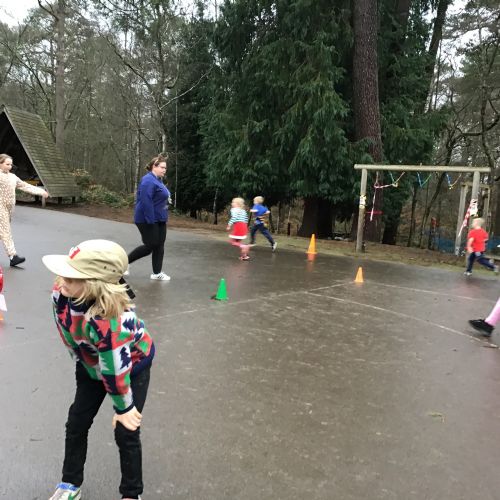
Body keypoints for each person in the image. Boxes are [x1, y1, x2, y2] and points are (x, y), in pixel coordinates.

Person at [42, 239, 154, 500]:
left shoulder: (112, 321)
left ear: (94, 284)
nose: (61, 280)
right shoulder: (62, 292)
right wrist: (81, 359)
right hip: (92, 363)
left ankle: (131, 493)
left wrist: (123, 408)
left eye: (71, 277)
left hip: (130, 365)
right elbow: (66, 329)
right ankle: (70, 483)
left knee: (126, 429)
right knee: (77, 421)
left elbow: (115, 368)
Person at [0, 153, 49, 266]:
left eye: (11, 164)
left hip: (9, 208)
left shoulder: (13, 177)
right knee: (6, 231)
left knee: (2, 231)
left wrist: (41, 192)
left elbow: (25, 186)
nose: (10, 167)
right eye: (7, 164)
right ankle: (13, 256)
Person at [128, 155, 171, 281]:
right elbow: (146, 202)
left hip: (160, 219)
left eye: (165, 168)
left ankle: (157, 273)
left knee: (159, 246)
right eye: (162, 167)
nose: (164, 170)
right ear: (154, 167)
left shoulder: (158, 180)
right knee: (150, 245)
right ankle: (124, 263)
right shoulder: (148, 180)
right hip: (147, 219)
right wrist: (151, 221)